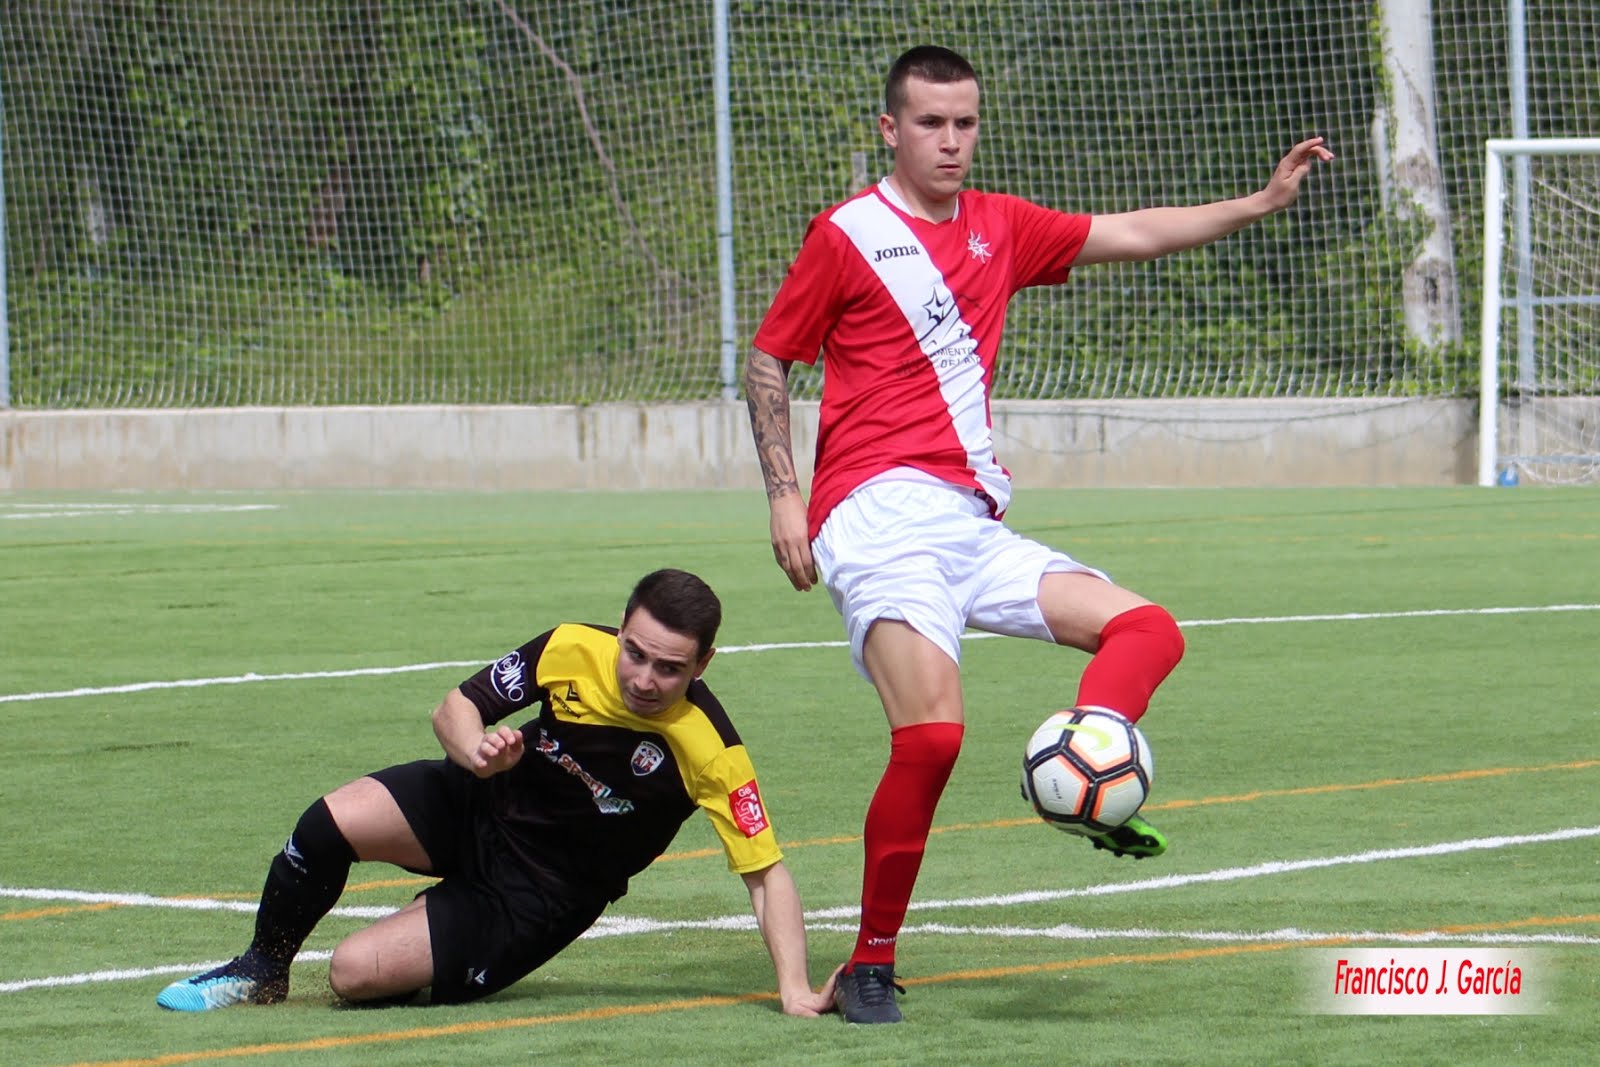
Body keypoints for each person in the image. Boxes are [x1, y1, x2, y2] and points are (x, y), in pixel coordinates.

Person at [744, 45, 1332, 1024]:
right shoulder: (847, 234)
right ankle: (872, 963)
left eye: (964, 123)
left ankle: (1083, 754)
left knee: (1149, 629)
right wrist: (781, 496)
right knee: (932, 736)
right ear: (890, 129)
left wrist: (1260, 203)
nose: (950, 141)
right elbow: (770, 360)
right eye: (930, 123)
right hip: (876, 515)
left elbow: (1133, 231)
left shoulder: (1001, 225)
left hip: (970, 521)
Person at [156, 569, 837, 1016]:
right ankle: (262, 968)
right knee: (327, 822)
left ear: (703, 664)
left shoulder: (711, 748)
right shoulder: (571, 646)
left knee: (352, 972)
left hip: (536, 894)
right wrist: (476, 754)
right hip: (481, 799)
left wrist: (793, 988)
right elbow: (456, 707)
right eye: (635, 651)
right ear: (621, 625)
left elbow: (765, 874)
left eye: (669, 668)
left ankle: (438, 932)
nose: (644, 678)